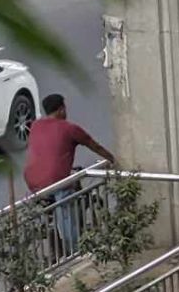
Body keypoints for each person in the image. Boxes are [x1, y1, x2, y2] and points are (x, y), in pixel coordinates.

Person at [23, 93, 117, 253]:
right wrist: (112, 160)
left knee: (55, 203)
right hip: (55, 181)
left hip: (32, 182)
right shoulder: (69, 128)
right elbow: (94, 146)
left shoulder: (36, 126)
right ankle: (77, 251)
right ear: (61, 110)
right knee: (66, 212)